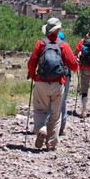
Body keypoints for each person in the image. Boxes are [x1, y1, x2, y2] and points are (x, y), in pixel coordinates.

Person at [27, 17, 78, 150]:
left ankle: (41, 129)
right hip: (58, 83)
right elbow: (73, 65)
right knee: (55, 114)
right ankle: (51, 143)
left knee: (40, 110)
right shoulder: (63, 45)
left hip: (41, 82)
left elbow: (32, 62)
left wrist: (32, 75)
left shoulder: (40, 43)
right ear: (58, 29)